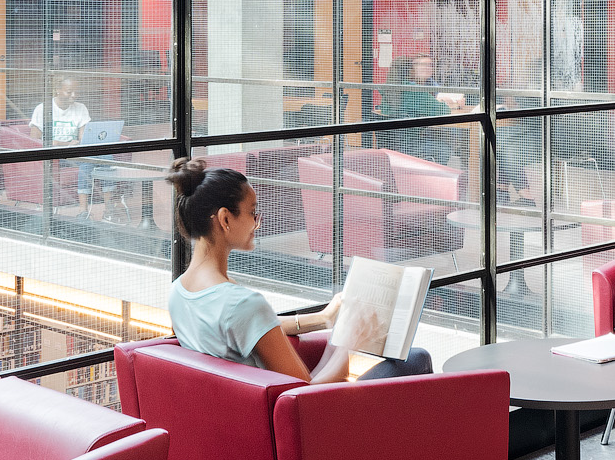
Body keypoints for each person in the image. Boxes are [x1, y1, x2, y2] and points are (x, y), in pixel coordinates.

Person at [161, 158, 431, 382]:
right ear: (225, 218)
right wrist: (348, 342)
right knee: (416, 360)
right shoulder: (241, 303)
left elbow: (250, 327)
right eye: (253, 212)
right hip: (307, 424)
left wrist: (325, 319)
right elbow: (306, 396)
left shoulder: (180, 292)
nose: (258, 221)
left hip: (249, 422)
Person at [42, 77, 96, 213]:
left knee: (107, 157)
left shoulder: (81, 108)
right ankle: (84, 211)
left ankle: (110, 207)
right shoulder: (44, 108)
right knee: (87, 163)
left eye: (76, 92)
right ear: (57, 90)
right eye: (69, 92)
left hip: (74, 153)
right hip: (54, 155)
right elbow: (34, 140)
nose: (74, 96)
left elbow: (83, 138)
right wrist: (64, 144)